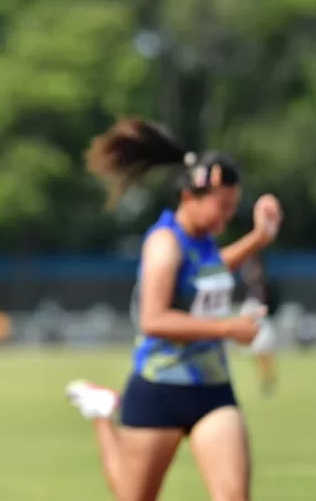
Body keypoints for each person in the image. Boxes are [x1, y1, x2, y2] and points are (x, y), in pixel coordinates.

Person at [63, 119, 282, 501]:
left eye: (232, 208)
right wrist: (230, 329)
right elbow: (154, 319)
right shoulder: (164, 244)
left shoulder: (206, 243)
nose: (226, 217)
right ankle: (101, 413)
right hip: (159, 389)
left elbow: (210, 272)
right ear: (190, 197)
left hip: (212, 390)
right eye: (222, 207)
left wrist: (259, 238)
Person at [240, 256, 281, 396]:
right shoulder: (249, 288)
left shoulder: (265, 285)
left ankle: (268, 377)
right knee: (257, 354)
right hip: (254, 325)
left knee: (265, 352)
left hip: (264, 325)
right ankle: (264, 377)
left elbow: (271, 305)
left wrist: (266, 310)